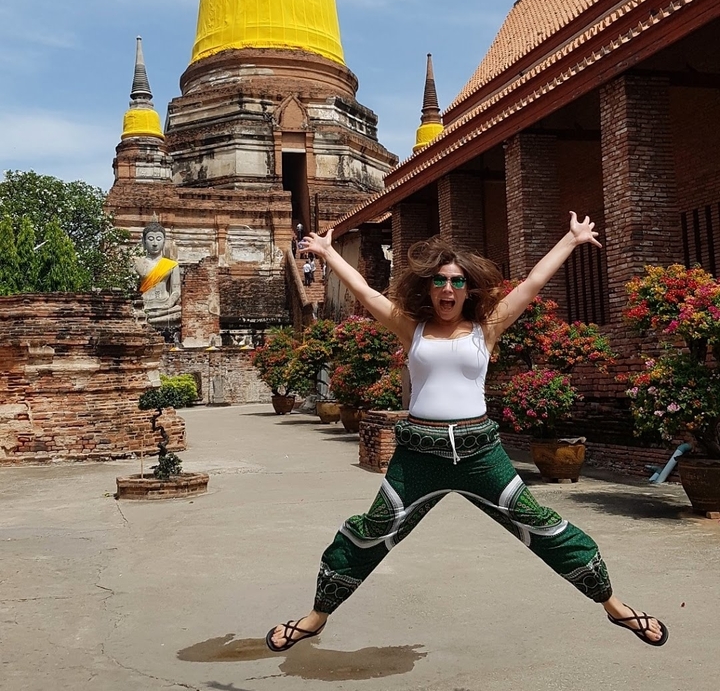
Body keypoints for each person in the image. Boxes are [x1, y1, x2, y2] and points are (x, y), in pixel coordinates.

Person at [266, 213, 668, 653]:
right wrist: (325, 254)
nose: (448, 290)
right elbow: (363, 293)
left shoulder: (486, 329)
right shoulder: (411, 329)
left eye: (457, 282)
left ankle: (613, 604)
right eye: (440, 281)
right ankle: (317, 615)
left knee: (541, 525)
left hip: (481, 455)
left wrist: (571, 241)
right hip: (419, 455)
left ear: (467, 290)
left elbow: (532, 283)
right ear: (429, 288)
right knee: (373, 530)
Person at [133, 222, 182, 331]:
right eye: (150, 239)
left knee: (181, 313)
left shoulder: (172, 265)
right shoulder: (137, 264)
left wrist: (169, 304)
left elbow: (176, 290)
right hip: (144, 305)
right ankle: (147, 319)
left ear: (164, 242)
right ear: (144, 242)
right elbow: (132, 290)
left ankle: (149, 320)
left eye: (158, 239)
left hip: (165, 307)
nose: (155, 243)